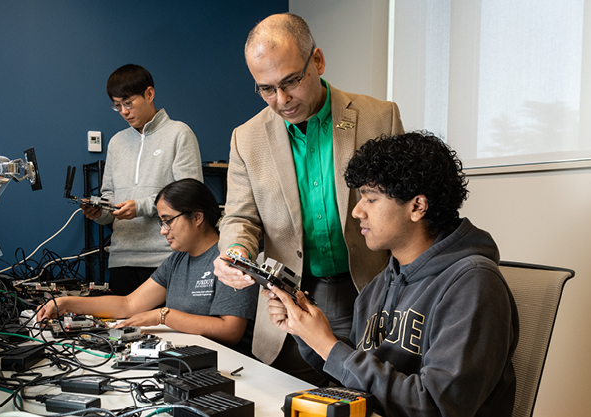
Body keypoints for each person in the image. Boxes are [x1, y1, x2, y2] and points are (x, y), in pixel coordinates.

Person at [265, 131, 519, 416]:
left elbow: (436, 406)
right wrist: (309, 334)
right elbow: (358, 384)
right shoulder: (378, 286)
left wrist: (328, 345)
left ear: (417, 206)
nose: (356, 211)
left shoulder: (474, 284)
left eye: (370, 199)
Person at [213, 13, 404, 383]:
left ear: (316, 60)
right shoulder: (246, 138)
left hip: (368, 290)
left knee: (369, 396)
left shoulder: (379, 117)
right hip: (290, 302)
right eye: (266, 89)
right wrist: (236, 251)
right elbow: (240, 218)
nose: (281, 100)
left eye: (291, 82)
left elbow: (403, 207)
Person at [39, 179, 258, 351]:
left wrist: (161, 316)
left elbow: (230, 331)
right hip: (187, 357)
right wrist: (66, 303)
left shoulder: (230, 259)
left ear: (198, 217)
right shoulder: (177, 260)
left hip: (230, 365)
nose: (163, 230)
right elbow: (129, 304)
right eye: (161, 222)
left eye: (168, 220)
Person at [84, 64, 203, 296]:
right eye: (117, 106)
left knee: (165, 330)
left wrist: (142, 206)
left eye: (128, 103)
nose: (124, 111)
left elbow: (191, 195)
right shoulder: (116, 143)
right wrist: (100, 212)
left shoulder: (179, 133)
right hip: (121, 258)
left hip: (165, 256)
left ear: (149, 94)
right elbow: (110, 198)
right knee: (121, 330)